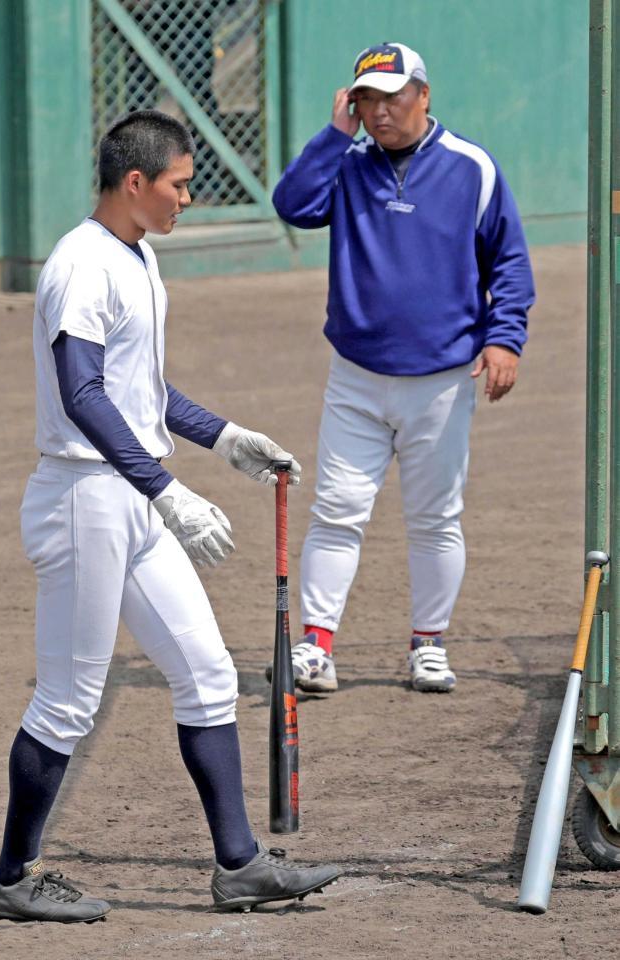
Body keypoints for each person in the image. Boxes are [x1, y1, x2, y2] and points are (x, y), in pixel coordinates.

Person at [0, 110, 339, 923]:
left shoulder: (135, 254)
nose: (188, 197)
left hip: (126, 498)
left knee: (207, 675)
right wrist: (165, 490)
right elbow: (83, 397)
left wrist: (225, 437)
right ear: (135, 183)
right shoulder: (81, 266)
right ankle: (11, 876)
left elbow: (140, 388)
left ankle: (240, 865)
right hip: (86, 501)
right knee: (69, 701)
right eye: (179, 183)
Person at [270, 42, 535, 695]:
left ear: (423, 94)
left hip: (442, 382)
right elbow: (293, 205)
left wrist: (504, 339)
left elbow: (508, 262)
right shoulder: (347, 162)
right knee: (335, 510)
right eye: (366, 99)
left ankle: (428, 645)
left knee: (435, 516)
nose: (379, 111)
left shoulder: (471, 167)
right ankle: (316, 645)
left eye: (392, 96)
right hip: (356, 376)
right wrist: (334, 135)